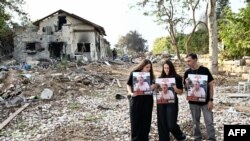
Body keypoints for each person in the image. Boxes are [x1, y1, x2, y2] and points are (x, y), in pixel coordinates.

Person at [184, 53, 216, 141]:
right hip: (193, 103)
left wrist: (211, 100)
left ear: (195, 60)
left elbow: (211, 86)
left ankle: (212, 138)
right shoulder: (187, 73)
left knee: (209, 122)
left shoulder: (205, 70)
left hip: (206, 102)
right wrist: (187, 85)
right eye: (187, 61)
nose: (188, 63)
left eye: (189, 61)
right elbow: (186, 89)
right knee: (195, 123)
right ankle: (197, 138)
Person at [156, 60, 187, 141]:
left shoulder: (177, 77)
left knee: (171, 125)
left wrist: (174, 87)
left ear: (171, 68)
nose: (167, 70)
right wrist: (156, 86)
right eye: (165, 68)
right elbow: (156, 90)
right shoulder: (160, 78)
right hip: (161, 103)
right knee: (162, 124)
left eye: (168, 68)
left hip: (172, 103)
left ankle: (181, 137)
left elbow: (180, 92)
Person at [126, 59, 156, 141]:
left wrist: (154, 86)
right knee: (135, 121)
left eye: (150, 67)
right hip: (136, 100)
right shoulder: (134, 73)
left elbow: (154, 85)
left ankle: (145, 138)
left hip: (148, 101)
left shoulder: (151, 75)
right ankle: (135, 139)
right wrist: (130, 93)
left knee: (146, 121)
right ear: (142, 66)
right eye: (147, 67)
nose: (149, 69)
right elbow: (128, 85)